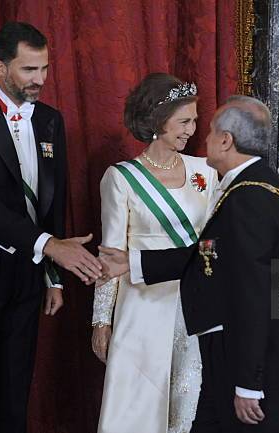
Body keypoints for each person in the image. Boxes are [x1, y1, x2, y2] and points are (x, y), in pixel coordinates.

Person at [98, 96, 279, 433]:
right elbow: (211, 252)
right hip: (242, 350)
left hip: (247, 358)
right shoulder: (261, 188)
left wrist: (248, 382)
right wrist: (134, 263)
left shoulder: (247, 199)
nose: (201, 138)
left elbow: (253, 294)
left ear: (225, 140)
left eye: (208, 131)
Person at [0, 22, 103, 433]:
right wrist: (52, 247)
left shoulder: (51, 121)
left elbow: (51, 203)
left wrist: (53, 278)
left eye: (45, 68)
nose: (40, 79)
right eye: (30, 70)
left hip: (28, 274)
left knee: (15, 389)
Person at [91, 73, 218, 433]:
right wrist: (101, 321)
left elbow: (214, 243)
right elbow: (111, 255)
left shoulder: (204, 171)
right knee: (138, 407)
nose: (192, 129)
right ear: (159, 121)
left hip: (192, 302)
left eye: (194, 120)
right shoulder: (121, 178)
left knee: (188, 401)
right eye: (184, 121)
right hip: (141, 305)